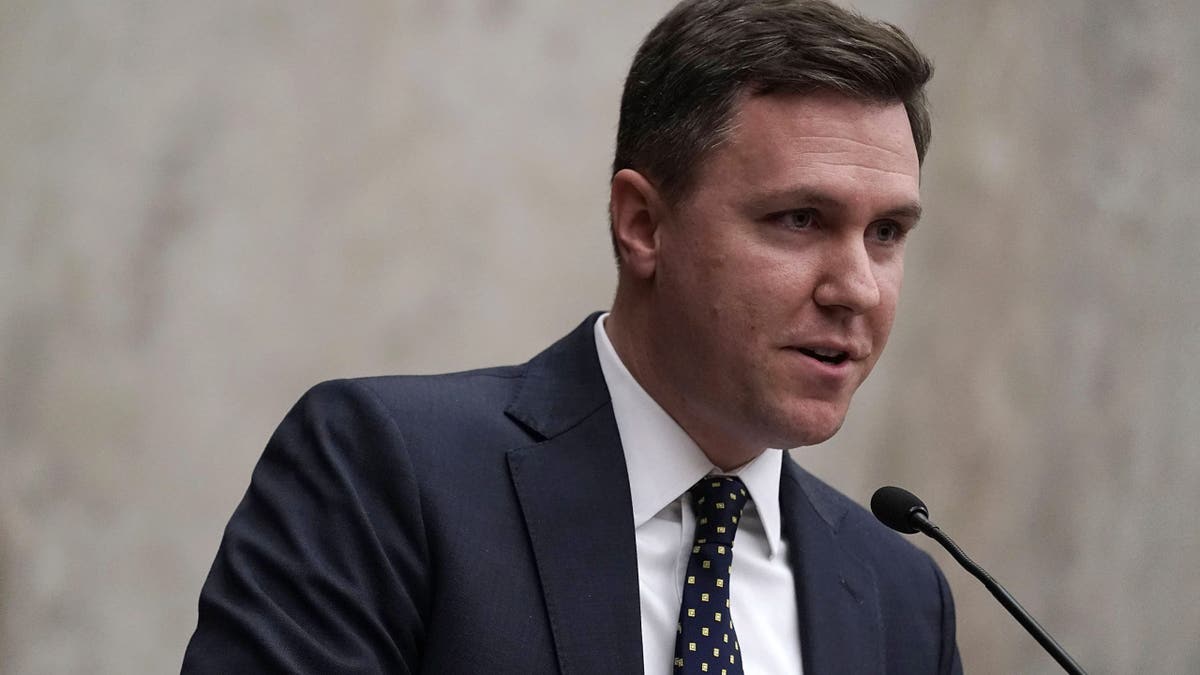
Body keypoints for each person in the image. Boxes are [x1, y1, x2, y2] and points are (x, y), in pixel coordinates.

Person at [183, 1, 962, 673]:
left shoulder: (903, 597)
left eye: (887, 232)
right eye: (800, 219)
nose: (857, 288)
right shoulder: (386, 473)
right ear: (643, 224)